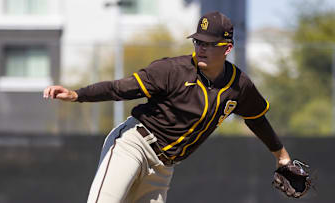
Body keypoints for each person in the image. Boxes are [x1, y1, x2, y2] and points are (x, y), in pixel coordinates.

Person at [43, 11, 292, 203]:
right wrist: (77, 94)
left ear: (227, 48)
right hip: (133, 145)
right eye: (198, 41)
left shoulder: (240, 85)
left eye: (209, 43)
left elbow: (256, 119)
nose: (201, 48)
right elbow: (121, 88)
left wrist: (282, 157)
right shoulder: (172, 70)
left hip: (164, 167)